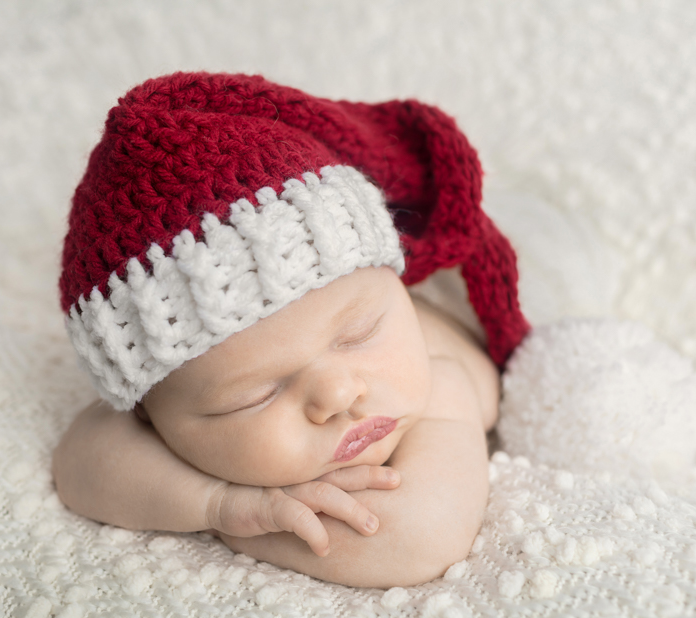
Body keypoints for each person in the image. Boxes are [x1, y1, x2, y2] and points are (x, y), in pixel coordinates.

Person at [52, 72, 529, 588]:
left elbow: (415, 539)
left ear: (396, 287)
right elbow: (81, 462)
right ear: (146, 411)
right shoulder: (164, 394)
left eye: (359, 334)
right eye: (255, 395)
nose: (339, 393)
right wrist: (223, 505)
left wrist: (241, 533)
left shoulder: (441, 382)